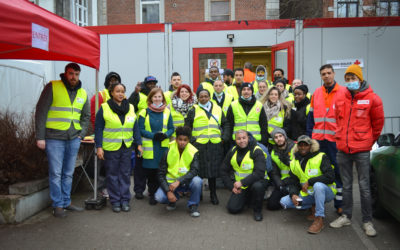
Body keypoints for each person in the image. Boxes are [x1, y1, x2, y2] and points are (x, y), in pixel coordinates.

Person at [329, 64, 384, 237]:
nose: (350, 82)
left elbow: (377, 125)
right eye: (347, 79)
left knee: (364, 186)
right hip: (343, 148)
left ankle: (367, 221)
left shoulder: (373, 99)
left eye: (353, 78)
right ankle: (346, 215)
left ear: (360, 79)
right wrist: (340, 136)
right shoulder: (340, 97)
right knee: (346, 185)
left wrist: (368, 141)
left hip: (362, 149)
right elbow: (338, 119)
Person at [35, 63, 90, 218]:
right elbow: (41, 112)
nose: (74, 77)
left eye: (76, 74)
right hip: (54, 138)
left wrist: (81, 134)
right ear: (65, 73)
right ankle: (57, 205)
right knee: (56, 173)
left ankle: (66, 201)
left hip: (73, 138)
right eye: (71, 73)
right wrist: (40, 137)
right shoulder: (52, 87)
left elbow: (86, 117)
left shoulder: (83, 93)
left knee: (68, 172)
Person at [95, 82, 143, 213]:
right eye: (117, 91)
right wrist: (99, 147)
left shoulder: (131, 107)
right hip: (110, 148)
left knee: (125, 174)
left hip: (126, 147)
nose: (120, 94)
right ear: (111, 93)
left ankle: (125, 200)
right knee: (112, 175)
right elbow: (98, 128)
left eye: (122, 91)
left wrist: (138, 144)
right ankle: (115, 200)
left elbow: (135, 127)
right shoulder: (105, 107)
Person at [306, 64, 345, 214]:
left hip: (335, 141)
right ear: (321, 76)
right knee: (315, 172)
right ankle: (314, 203)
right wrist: (310, 138)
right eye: (323, 74)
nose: (326, 76)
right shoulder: (316, 93)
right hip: (317, 141)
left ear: (334, 74)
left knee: (337, 172)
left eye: (329, 73)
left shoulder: (343, 92)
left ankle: (340, 204)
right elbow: (310, 118)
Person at [280, 135, 336, 234]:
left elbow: (330, 176)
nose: (303, 147)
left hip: (327, 192)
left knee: (318, 186)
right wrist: (293, 194)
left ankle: (319, 219)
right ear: (297, 147)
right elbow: (293, 181)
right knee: (284, 202)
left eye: (306, 145)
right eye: (300, 145)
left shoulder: (321, 156)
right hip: (310, 194)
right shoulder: (294, 162)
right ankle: (312, 206)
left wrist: (310, 181)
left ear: (311, 146)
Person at [185, 89, 226, 205]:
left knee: (212, 171)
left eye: (206, 96)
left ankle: (213, 194)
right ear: (198, 98)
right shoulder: (193, 110)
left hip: (214, 144)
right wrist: (193, 141)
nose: (203, 98)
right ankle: (199, 194)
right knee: (199, 170)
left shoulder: (218, 109)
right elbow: (187, 127)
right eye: (201, 97)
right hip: (199, 145)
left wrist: (224, 138)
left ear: (209, 97)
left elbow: (225, 123)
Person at [155, 126, 203, 217]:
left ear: (188, 140)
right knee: (159, 197)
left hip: (185, 182)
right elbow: (160, 173)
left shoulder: (193, 151)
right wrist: (168, 191)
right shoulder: (168, 150)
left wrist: (179, 181)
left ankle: (193, 205)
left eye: (185, 140)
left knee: (198, 181)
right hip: (171, 184)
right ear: (176, 139)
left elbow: (194, 170)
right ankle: (173, 199)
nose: (182, 142)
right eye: (180, 139)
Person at [138, 88, 174, 205]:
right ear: (150, 98)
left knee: (162, 172)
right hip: (150, 146)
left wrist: (165, 135)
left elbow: (171, 128)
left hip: (163, 146)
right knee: (151, 173)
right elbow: (141, 129)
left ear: (163, 98)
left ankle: (161, 193)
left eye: (159, 97)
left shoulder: (167, 112)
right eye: (155, 97)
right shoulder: (144, 112)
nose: (157, 99)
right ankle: (152, 194)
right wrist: (154, 136)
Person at [221, 130, 266, 221]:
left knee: (258, 187)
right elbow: (223, 170)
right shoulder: (232, 151)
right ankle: (247, 198)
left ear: (248, 138)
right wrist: (231, 187)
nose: (242, 141)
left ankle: (257, 211)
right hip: (240, 187)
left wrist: (242, 182)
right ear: (235, 140)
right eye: (239, 139)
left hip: (256, 182)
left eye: (244, 138)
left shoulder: (256, 151)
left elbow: (259, 173)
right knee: (232, 209)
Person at [90, 71, 121, 199]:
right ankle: (102, 188)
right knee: (102, 164)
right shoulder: (99, 96)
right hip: (104, 137)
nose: (113, 83)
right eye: (111, 80)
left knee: (115, 165)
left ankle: (113, 187)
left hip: (117, 138)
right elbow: (93, 117)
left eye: (116, 80)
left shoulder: (121, 96)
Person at [129, 75, 158, 199]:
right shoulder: (139, 95)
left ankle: (152, 190)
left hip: (155, 138)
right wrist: (135, 93)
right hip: (140, 137)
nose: (151, 85)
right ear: (145, 84)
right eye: (149, 83)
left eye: (153, 83)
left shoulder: (157, 96)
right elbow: (129, 105)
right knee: (140, 166)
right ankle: (139, 190)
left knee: (153, 166)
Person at [224, 83, 269, 147]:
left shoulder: (259, 105)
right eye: (244, 89)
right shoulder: (233, 105)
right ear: (241, 92)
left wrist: (264, 140)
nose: (246, 92)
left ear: (252, 92)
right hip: (238, 141)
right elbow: (229, 124)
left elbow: (263, 124)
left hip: (255, 140)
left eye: (249, 89)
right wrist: (230, 140)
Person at [266, 128, 295, 210]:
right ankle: (287, 201)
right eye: (276, 137)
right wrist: (280, 184)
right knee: (271, 206)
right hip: (282, 182)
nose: (278, 139)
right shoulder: (273, 153)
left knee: (300, 202)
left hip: (295, 181)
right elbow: (274, 172)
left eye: (280, 136)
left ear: (285, 136)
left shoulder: (295, 148)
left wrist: (285, 157)